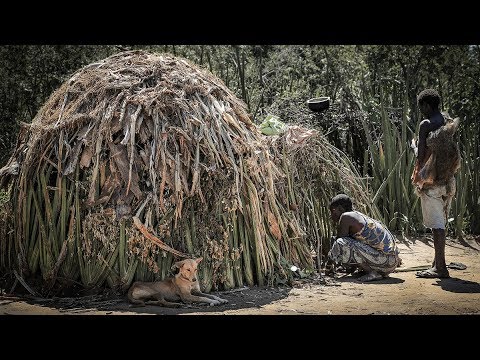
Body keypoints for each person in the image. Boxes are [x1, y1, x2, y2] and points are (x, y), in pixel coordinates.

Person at [411, 88, 461, 279]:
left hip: (432, 183)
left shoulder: (426, 124)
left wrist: (414, 146)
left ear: (426, 105)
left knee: (437, 226)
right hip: (448, 181)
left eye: (420, 106)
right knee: (442, 222)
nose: (420, 110)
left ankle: (440, 268)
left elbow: (421, 156)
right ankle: (437, 262)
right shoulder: (447, 120)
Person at [327, 194, 401, 282]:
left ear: (340, 208)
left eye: (333, 211)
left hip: (385, 262)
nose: (331, 215)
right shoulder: (356, 215)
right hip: (390, 262)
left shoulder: (346, 217)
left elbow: (341, 243)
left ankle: (373, 273)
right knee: (347, 242)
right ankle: (370, 271)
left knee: (340, 242)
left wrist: (328, 267)